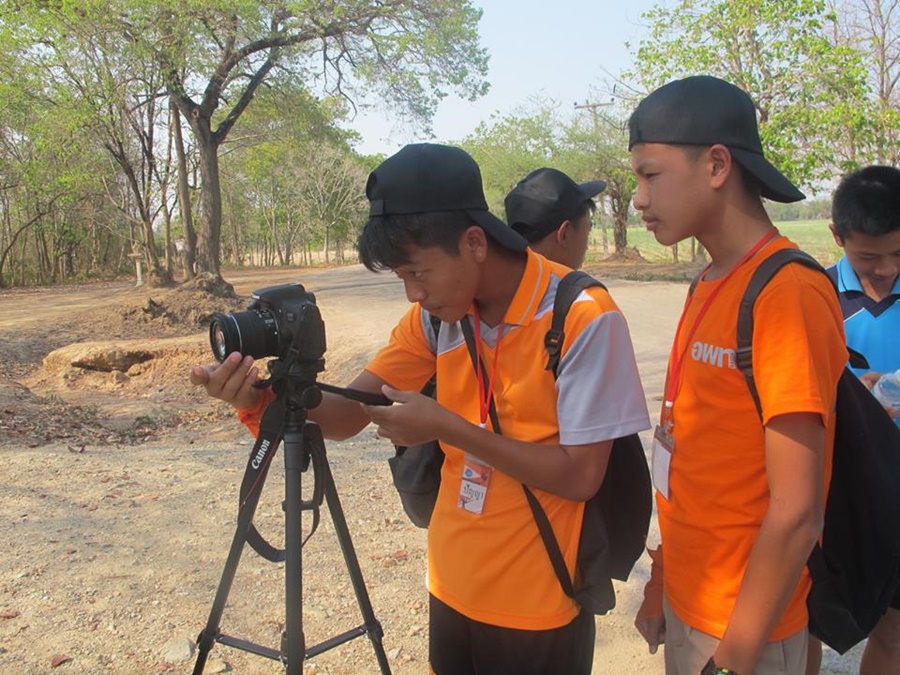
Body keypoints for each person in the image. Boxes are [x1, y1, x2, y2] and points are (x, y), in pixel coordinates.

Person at [191, 143, 651, 674]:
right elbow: (347, 415)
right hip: (451, 585)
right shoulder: (436, 319)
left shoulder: (581, 315)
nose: (412, 294)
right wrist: (258, 400)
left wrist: (447, 428)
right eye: (401, 277)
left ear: (474, 242)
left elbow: (580, 477)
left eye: (418, 272)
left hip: (539, 604)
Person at [627, 75, 847, 675]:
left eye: (650, 175)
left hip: (745, 634)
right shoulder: (708, 281)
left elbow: (797, 511)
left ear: (718, 165)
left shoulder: (786, 292)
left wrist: (734, 659)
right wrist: (663, 581)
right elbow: (691, 457)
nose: (638, 199)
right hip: (691, 603)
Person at [805, 165, 900, 675]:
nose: (885, 268)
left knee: (894, 629)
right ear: (837, 236)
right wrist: (853, 400)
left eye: (898, 253)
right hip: (834, 490)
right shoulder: (812, 295)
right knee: (810, 619)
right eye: (868, 256)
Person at [504, 167, 606, 270]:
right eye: (588, 231)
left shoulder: (503, 277)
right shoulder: (574, 281)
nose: (587, 247)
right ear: (564, 234)